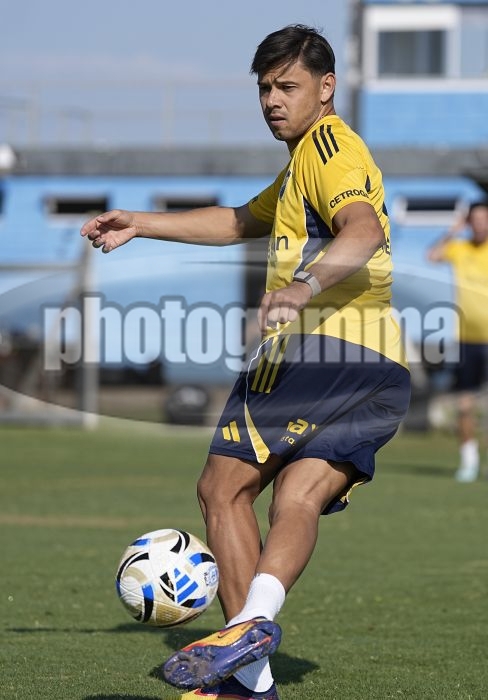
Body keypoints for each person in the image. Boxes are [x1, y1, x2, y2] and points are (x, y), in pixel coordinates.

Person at [81, 25, 411, 700]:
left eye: (288, 86)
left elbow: (364, 228)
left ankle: (248, 672)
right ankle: (252, 641)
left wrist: (303, 286)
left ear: (326, 87)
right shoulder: (302, 166)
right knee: (298, 497)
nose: (272, 101)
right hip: (380, 367)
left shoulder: (329, 148)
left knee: (223, 490)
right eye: (264, 88)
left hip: (320, 353)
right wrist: (141, 222)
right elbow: (237, 221)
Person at [427, 200, 488, 483]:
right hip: (467, 341)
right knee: (465, 404)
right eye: (475, 219)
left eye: (485, 219)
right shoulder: (460, 248)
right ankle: (469, 461)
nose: (480, 224)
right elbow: (432, 255)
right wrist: (453, 230)